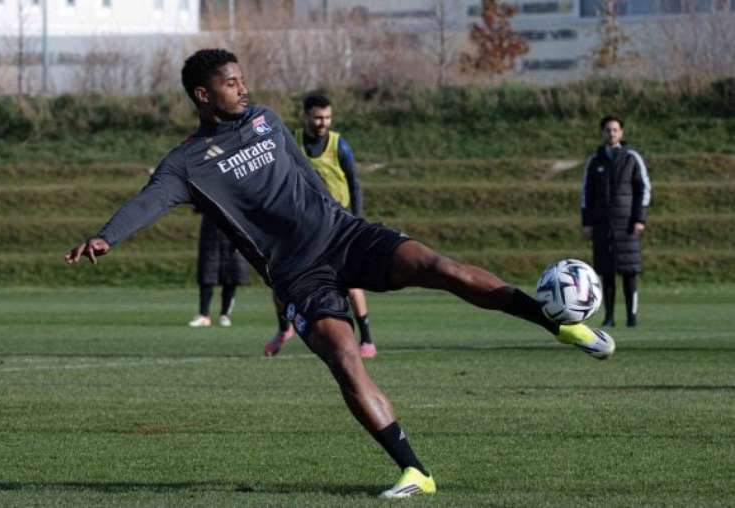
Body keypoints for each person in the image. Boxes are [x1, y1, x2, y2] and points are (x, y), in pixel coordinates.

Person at [65, 48, 615, 499]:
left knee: (440, 267)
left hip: (343, 235)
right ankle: (415, 471)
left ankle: (559, 324)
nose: (243, 88)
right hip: (299, 276)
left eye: (242, 79)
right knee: (345, 357)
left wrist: (337, 218)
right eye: (231, 84)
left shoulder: (266, 119)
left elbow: (305, 177)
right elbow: (148, 200)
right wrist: (106, 236)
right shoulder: (187, 164)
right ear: (203, 96)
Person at [264, 93, 376, 359]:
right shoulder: (290, 142)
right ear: (306, 116)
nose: (323, 122)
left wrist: (357, 218)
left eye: (327, 117)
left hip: (338, 222)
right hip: (301, 224)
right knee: (279, 280)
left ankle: (367, 339)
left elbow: (354, 182)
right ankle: (284, 329)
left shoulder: (339, 145)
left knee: (350, 281)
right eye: (317, 117)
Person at [581, 115, 651, 328]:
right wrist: (587, 222)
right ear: (602, 133)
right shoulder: (595, 161)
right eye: (608, 130)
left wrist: (639, 218)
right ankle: (609, 317)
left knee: (630, 273)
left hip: (627, 225)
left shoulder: (632, 158)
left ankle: (632, 317)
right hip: (603, 226)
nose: (611, 133)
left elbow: (643, 189)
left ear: (621, 132)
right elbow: (586, 194)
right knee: (606, 273)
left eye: (615, 130)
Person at [188, 212, 250, 328]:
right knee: (207, 277)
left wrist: (241, 240)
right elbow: (196, 208)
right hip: (211, 238)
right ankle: (203, 315)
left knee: (231, 278)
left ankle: (224, 315)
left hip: (232, 239)